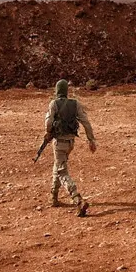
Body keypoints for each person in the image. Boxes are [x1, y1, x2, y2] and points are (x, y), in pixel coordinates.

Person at [45, 79, 97, 217]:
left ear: (57, 91)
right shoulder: (76, 104)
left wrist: (48, 133)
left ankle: (77, 199)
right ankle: (54, 197)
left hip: (59, 143)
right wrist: (91, 140)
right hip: (70, 143)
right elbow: (86, 122)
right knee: (58, 166)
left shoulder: (54, 104)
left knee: (62, 172)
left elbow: (48, 123)